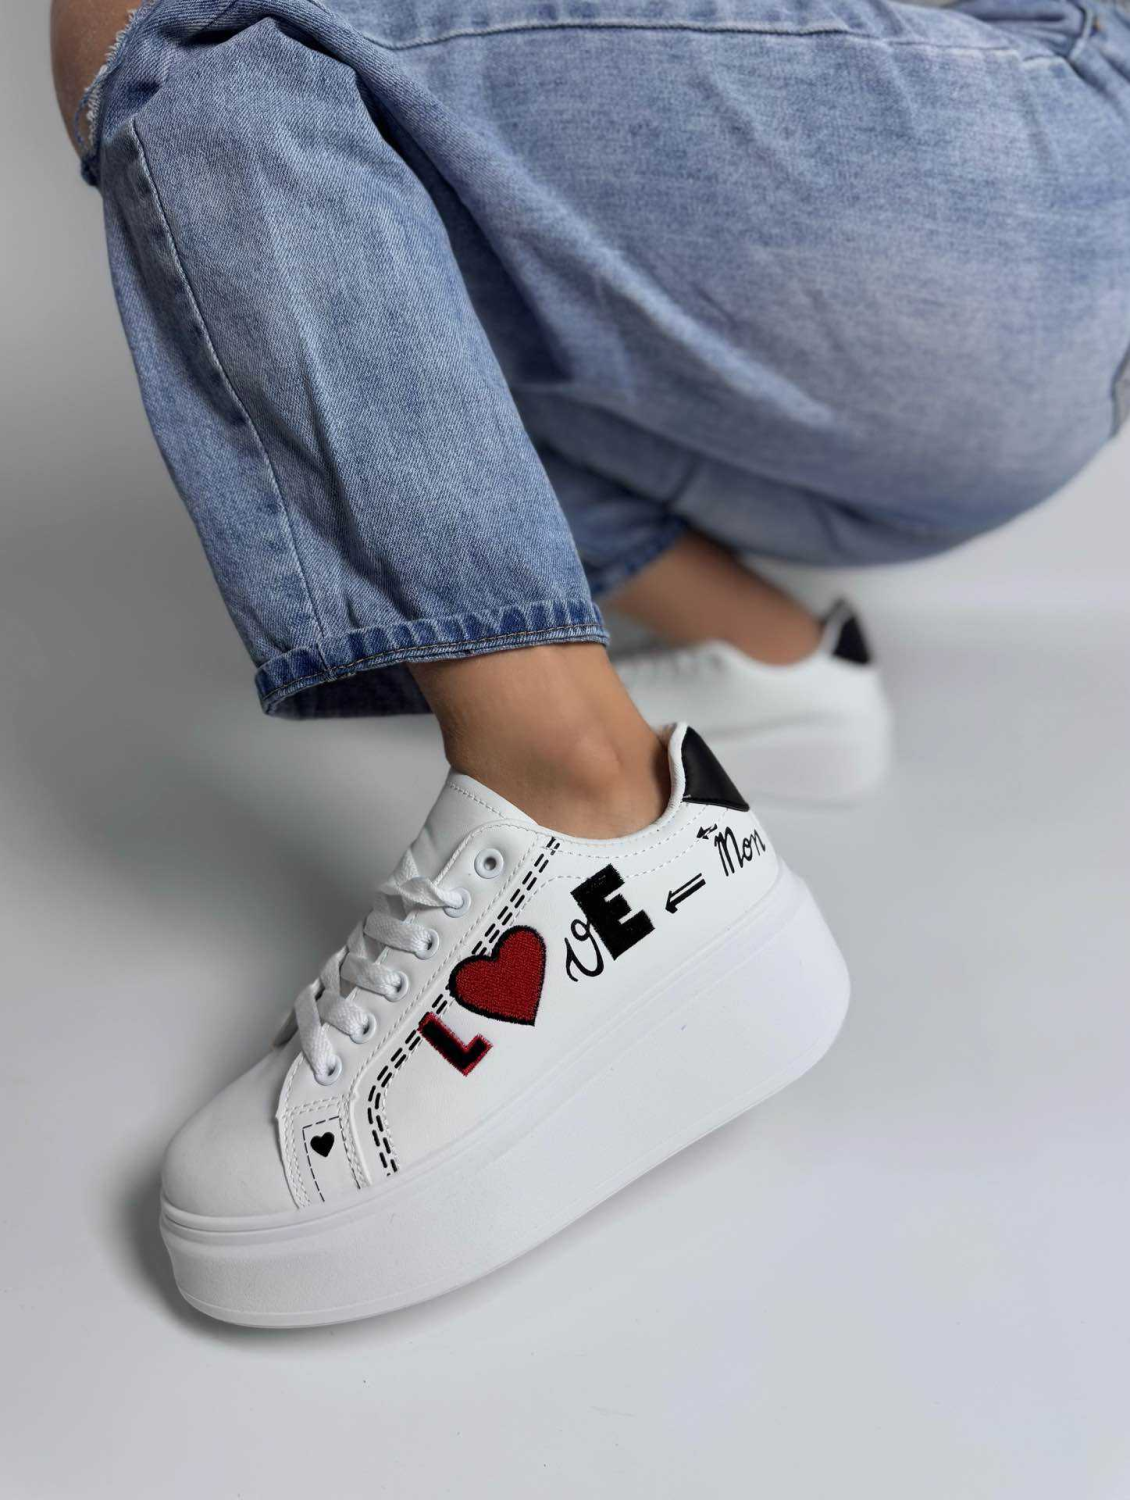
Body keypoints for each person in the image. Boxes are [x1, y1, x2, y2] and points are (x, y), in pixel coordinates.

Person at [51, 0, 1130, 1325]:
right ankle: (761, 648)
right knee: (392, 190)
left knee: (174, 28)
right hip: (1002, 261)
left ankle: (578, 798)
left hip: (1013, 159)